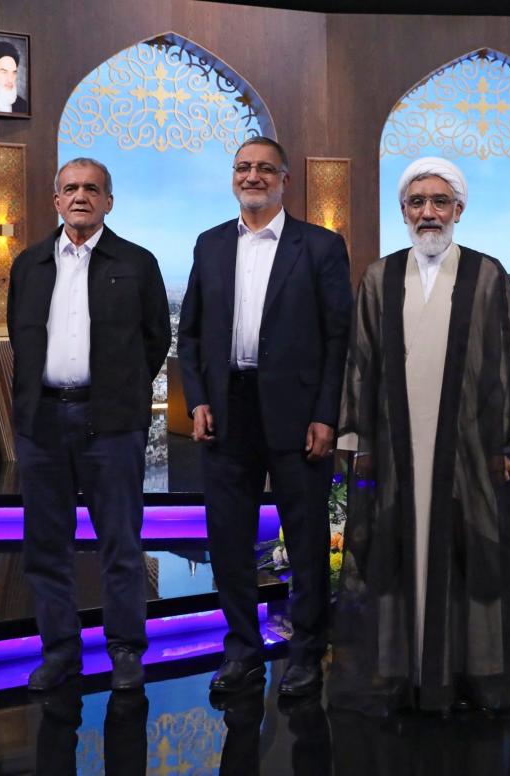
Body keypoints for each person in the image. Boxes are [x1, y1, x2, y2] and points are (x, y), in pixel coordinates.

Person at [329, 157, 510, 714]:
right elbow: (362, 363)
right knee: (399, 554)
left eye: (439, 202)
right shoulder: (379, 276)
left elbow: (506, 366)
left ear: (459, 210)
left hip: (467, 452)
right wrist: (361, 443)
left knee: (469, 553)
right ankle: (399, 673)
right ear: (403, 212)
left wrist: (505, 445)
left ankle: (474, 673)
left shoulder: (487, 274)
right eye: (417, 202)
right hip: (397, 451)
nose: (428, 212)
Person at [178, 136, 353, 698]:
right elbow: (193, 335)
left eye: (263, 169)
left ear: (283, 179)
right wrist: (198, 399)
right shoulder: (208, 245)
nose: (252, 176)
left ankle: (306, 653)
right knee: (228, 542)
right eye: (243, 168)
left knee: (304, 540)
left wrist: (328, 413)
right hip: (227, 411)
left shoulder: (321, 246)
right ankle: (243, 652)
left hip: (300, 415)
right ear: (234, 177)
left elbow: (337, 339)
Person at [7, 157, 170, 691]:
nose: (80, 196)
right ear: (56, 200)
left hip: (113, 425)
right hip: (44, 423)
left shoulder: (139, 264)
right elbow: (21, 340)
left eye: (92, 188)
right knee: (46, 547)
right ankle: (60, 653)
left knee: (120, 544)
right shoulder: (29, 264)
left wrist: (120, 394)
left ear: (108, 201)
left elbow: (154, 342)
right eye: (70, 188)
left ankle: (125, 651)